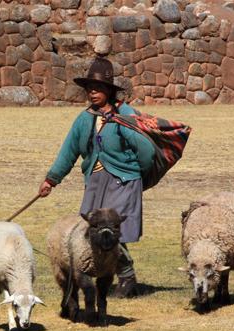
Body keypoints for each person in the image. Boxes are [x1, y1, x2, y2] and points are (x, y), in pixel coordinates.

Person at [38, 56, 156, 298]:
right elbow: (68, 151)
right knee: (92, 230)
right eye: (90, 89)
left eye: (98, 88)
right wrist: (51, 179)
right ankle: (110, 274)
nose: (93, 93)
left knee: (112, 229)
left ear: (109, 91)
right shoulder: (84, 119)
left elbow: (146, 149)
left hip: (123, 182)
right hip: (96, 182)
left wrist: (135, 174)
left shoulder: (125, 114)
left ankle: (126, 277)